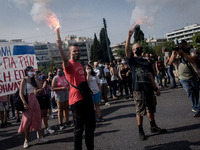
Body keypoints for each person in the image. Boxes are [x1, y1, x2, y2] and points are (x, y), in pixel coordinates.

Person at [125, 28, 166, 141]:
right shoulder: (132, 60)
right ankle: (140, 130)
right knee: (140, 110)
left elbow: (150, 75)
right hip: (138, 89)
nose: (139, 49)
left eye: (140, 48)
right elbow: (127, 49)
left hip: (149, 88)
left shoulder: (146, 61)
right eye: (137, 48)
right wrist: (129, 36)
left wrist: (155, 87)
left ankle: (153, 126)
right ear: (134, 50)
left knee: (151, 108)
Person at [56, 39, 96, 150]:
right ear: (70, 53)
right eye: (74, 51)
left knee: (90, 127)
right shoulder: (68, 65)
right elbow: (64, 59)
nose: (77, 52)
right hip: (76, 101)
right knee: (79, 129)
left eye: (78, 50)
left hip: (86, 98)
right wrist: (60, 47)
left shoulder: (80, 64)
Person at [18, 66, 48, 149]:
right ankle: (26, 140)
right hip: (27, 100)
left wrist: (36, 78)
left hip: (34, 99)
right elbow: (21, 93)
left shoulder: (33, 80)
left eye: (33, 71)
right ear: (27, 71)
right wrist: (24, 103)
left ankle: (40, 137)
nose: (33, 72)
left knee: (38, 117)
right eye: (31, 71)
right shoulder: (23, 80)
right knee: (27, 120)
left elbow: (40, 88)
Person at [169, 40, 200, 117]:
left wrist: (184, 54)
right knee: (190, 91)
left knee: (196, 92)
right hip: (182, 77)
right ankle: (197, 108)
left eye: (182, 45)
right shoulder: (176, 53)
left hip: (194, 75)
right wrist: (173, 54)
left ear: (185, 44)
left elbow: (193, 59)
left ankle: (195, 106)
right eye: (179, 45)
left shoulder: (191, 50)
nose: (180, 46)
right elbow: (170, 62)